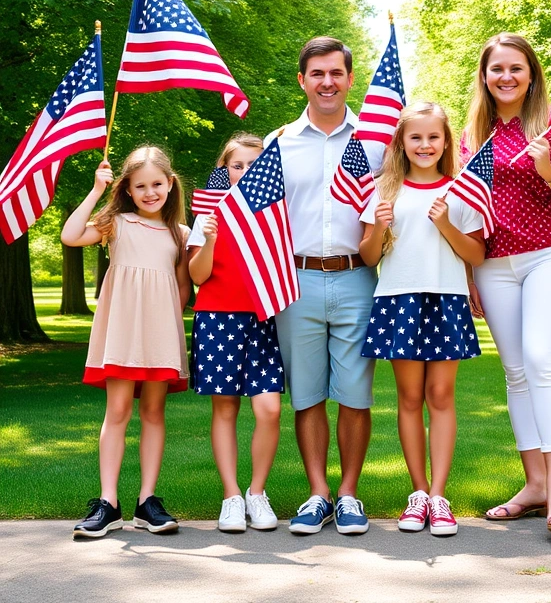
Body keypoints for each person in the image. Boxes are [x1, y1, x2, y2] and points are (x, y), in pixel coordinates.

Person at [462, 33, 551, 535]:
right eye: (497, 68)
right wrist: (471, 272)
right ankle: (534, 483)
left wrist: (548, 171)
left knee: (541, 360)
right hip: (496, 264)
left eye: (516, 68)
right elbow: (469, 210)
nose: (506, 77)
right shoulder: (472, 136)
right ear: (485, 75)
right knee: (516, 373)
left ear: (531, 73)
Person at [359, 102, 485, 535]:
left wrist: (447, 224)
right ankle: (417, 493)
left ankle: (439, 497)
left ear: (446, 141)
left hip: (445, 298)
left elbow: (476, 253)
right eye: (416, 137)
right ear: (402, 142)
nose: (425, 145)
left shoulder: (461, 190)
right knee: (409, 399)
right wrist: (377, 226)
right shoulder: (383, 191)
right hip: (398, 299)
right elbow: (369, 256)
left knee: (441, 396)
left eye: (434, 137)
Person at [269, 36, 377, 535]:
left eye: (336, 73)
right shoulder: (278, 144)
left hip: (360, 277)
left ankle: (349, 494)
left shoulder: (379, 139)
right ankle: (318, 494)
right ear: (303, 80)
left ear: (350, 78)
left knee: (355, 394)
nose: (328, 82)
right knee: (307, 395)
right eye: (318, 74)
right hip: (296, 281)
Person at [61, 146, 191, 540]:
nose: (150, 192)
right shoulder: (116, 222)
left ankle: (147, 501)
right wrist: (96, 191)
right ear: (128, 190)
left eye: (157, 184)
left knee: (153, 412)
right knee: (117, 411)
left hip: (159, 333)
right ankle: (108, 502)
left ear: (170, 184)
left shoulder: (180, 233)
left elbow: (183, 286)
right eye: (140, 186)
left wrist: (167, 324)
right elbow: (70, 236)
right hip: (121, 331)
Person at [187, 133, 283, 534]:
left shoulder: (273, 212)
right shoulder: (208, 214)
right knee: (225, 407)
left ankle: (256, 492)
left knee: (269, 409)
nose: (244, 171)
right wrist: (208, 238)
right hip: (217, 318)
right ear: (224, 169)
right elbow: (197, 275)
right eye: (237, 165)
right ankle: (231, 496)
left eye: (252, 164)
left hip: (262, 319)